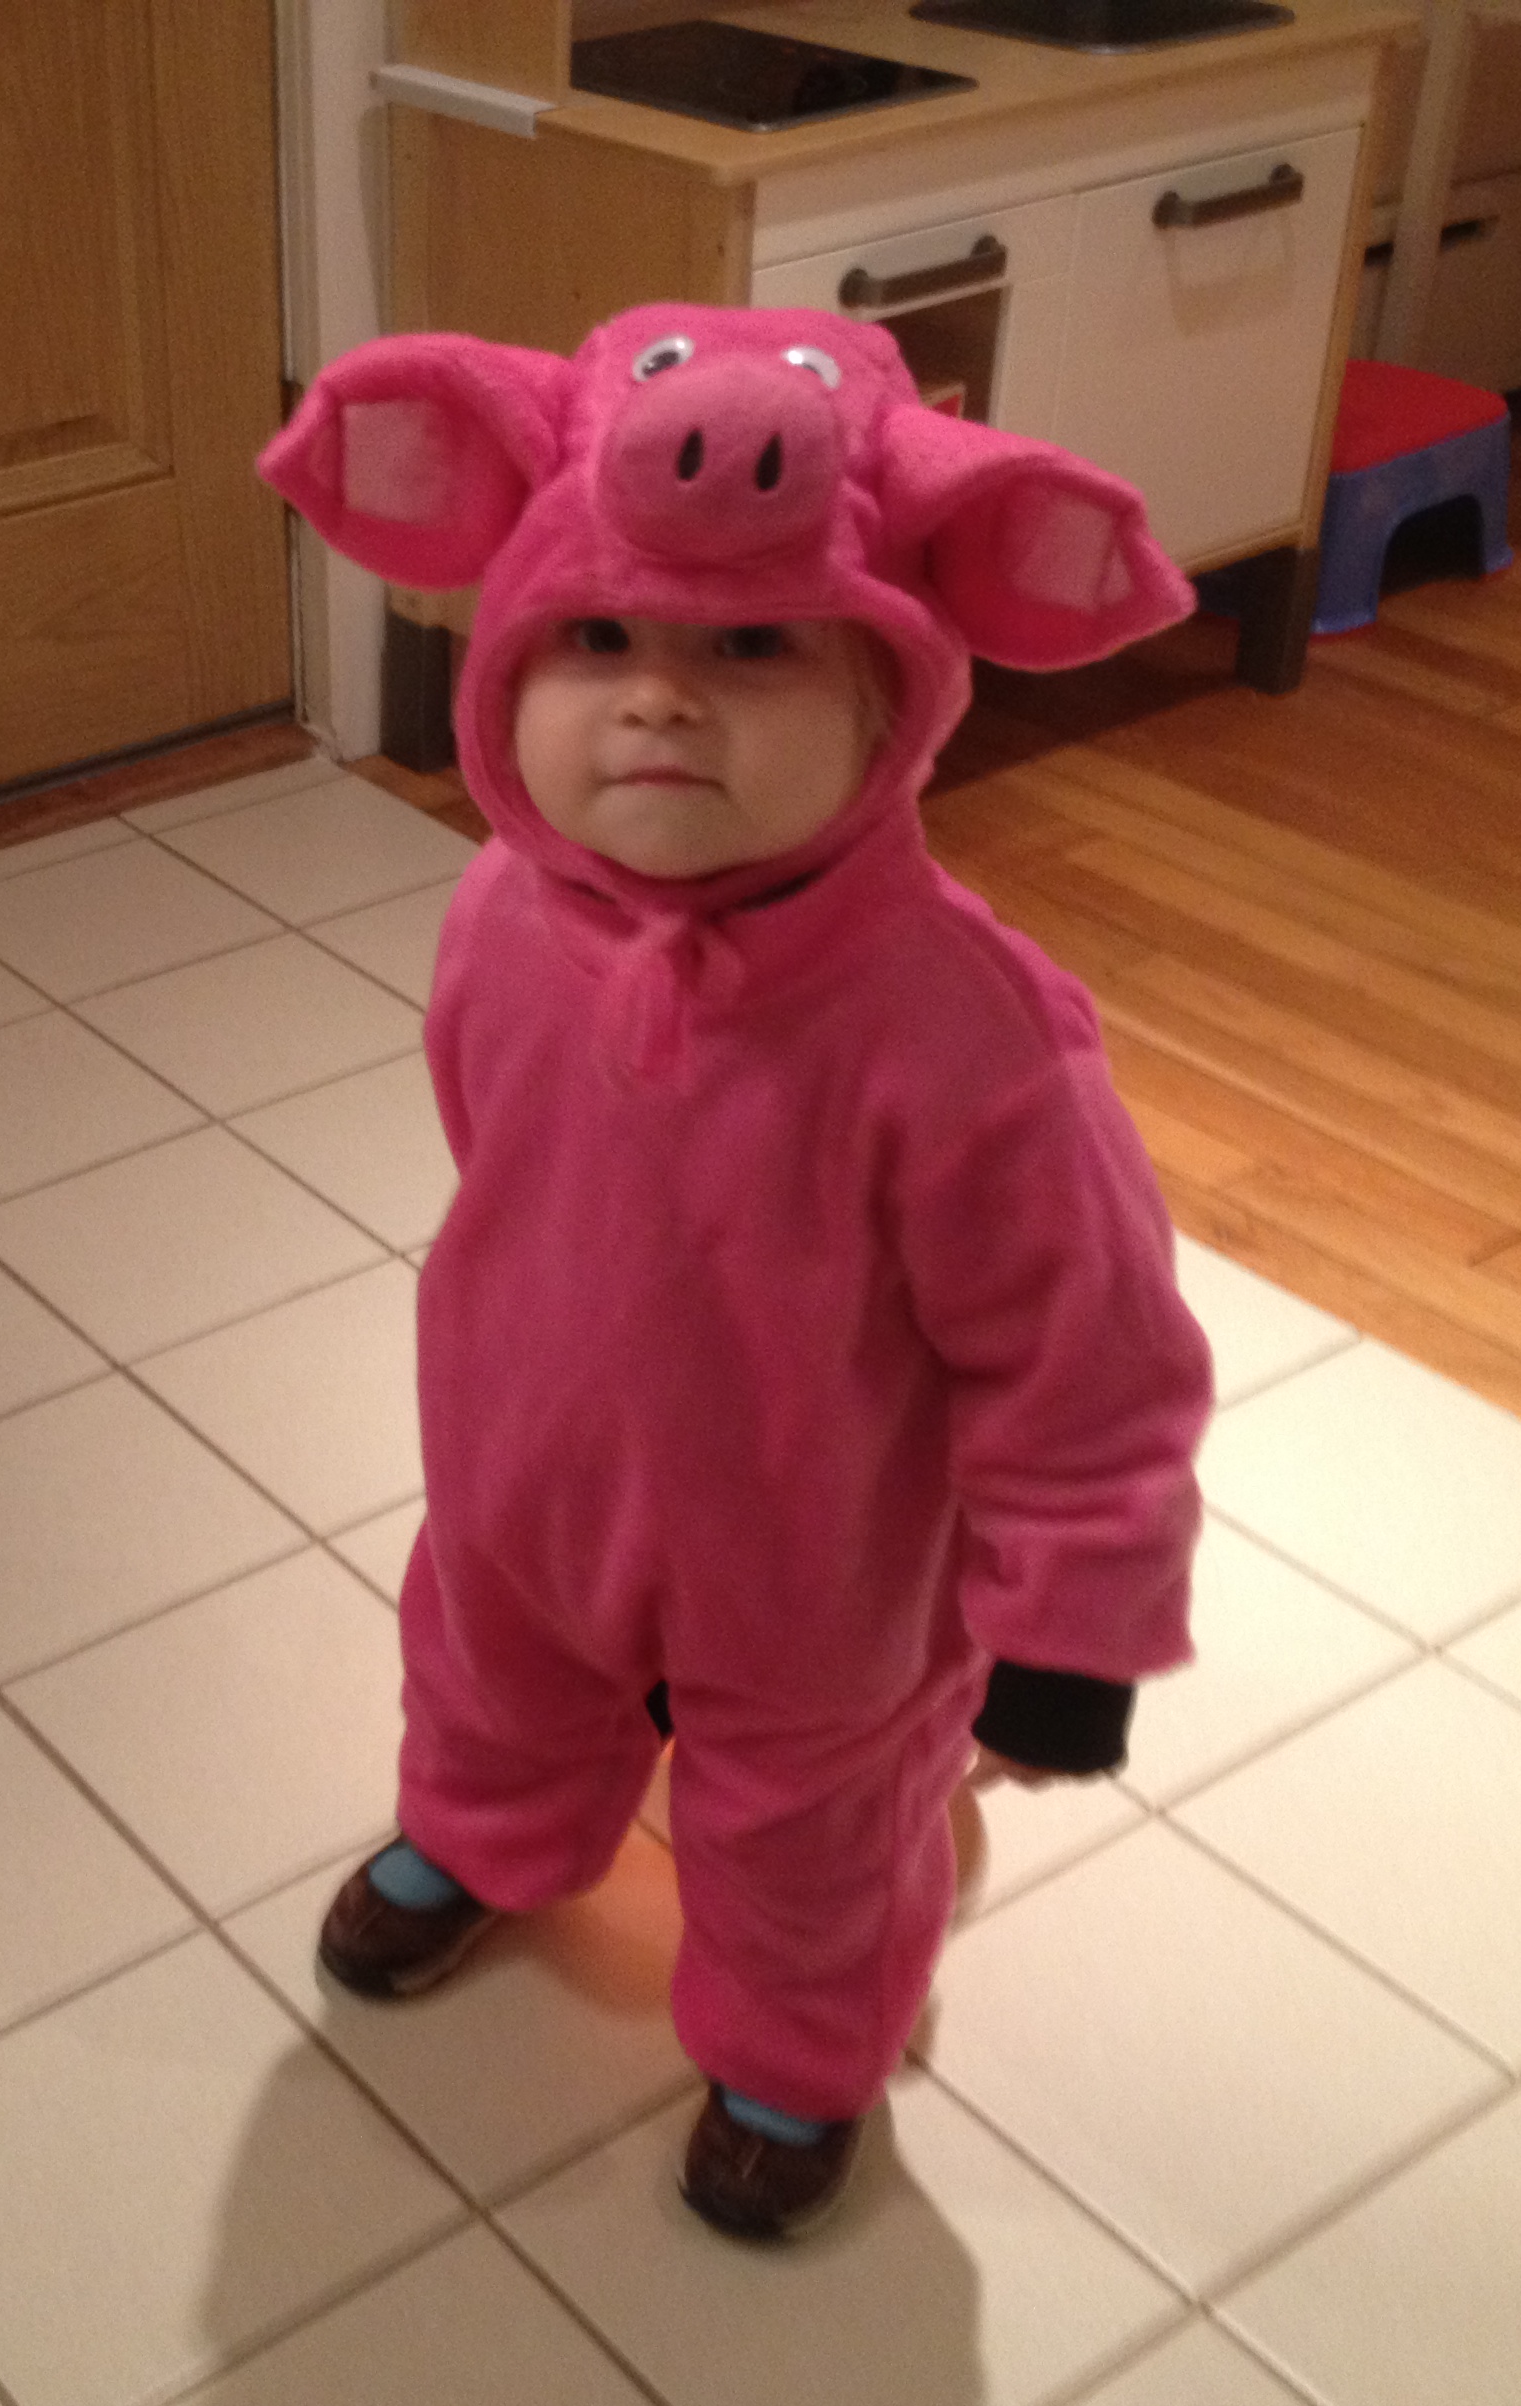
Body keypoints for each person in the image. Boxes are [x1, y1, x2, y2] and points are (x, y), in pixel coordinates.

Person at [256, 305, 1215, 2242]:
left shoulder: (964, 1029)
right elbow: (501, 1156)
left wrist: (1072, 1627)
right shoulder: (497, 919)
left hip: (822, 1570)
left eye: (753, 648)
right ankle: (489, 1833)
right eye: (600, 639)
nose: (660, 707)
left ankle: (796, 2045)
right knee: (491, 1675)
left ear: (891, 690)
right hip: (530, 1488)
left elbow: (1089, 1360)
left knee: (808, 1826)